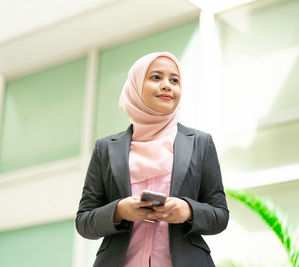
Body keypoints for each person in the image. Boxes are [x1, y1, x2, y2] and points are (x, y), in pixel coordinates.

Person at [75, 52, 229, 267]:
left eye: (174, 80)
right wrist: (119, 211)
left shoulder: (201, 143)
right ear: (136, 85)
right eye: (156, 77)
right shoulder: (106, 148)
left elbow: (220, 216)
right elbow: (84, 222)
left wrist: (188, 211)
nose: (167, 85)